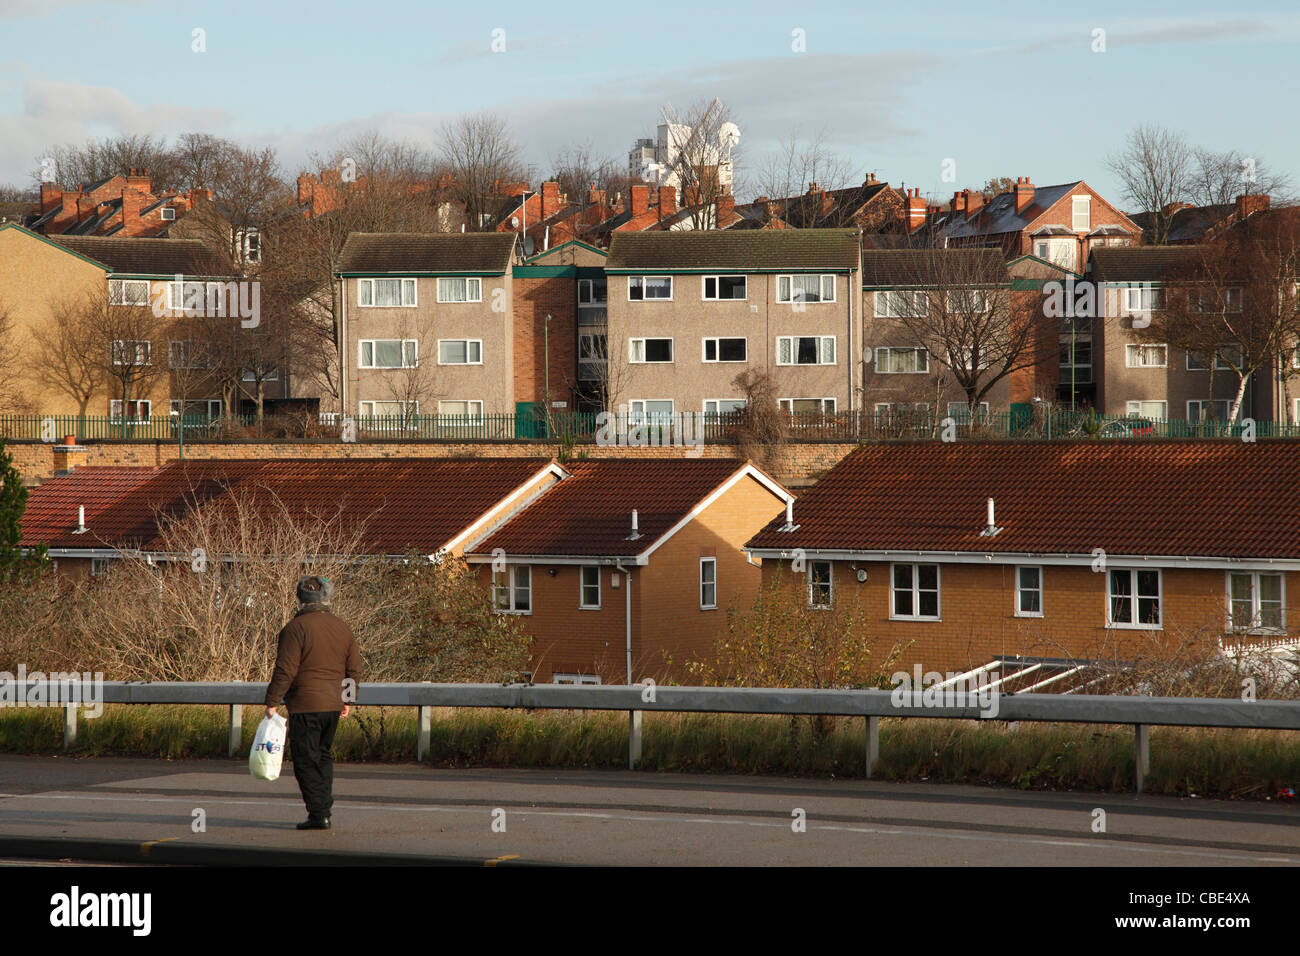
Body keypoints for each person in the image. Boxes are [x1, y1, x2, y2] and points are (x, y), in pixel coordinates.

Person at [265, 575, 362, 830]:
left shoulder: (295, 629)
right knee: (323, 756)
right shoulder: (343, 628)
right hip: (333, 704)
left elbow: (285, 669)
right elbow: (354, 669)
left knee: (305, 759)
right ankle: (323, 807)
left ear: (300, 599)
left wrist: (272, 701)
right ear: (327, 598)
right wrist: (348, 700)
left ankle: (319, 813)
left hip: (306, 704)